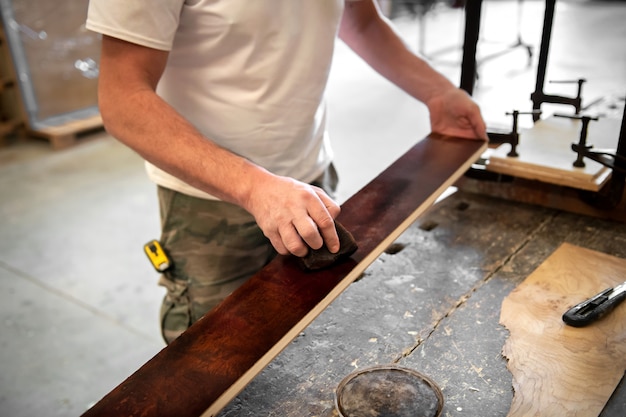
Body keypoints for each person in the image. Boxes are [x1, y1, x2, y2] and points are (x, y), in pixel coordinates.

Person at [86, 0, 487, 344]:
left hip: (310, 178)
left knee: (310, 333)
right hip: (207, 201)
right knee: (217, 352)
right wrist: (254, 187)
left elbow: (360, 18)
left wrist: (436, 91)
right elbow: (122, 97)